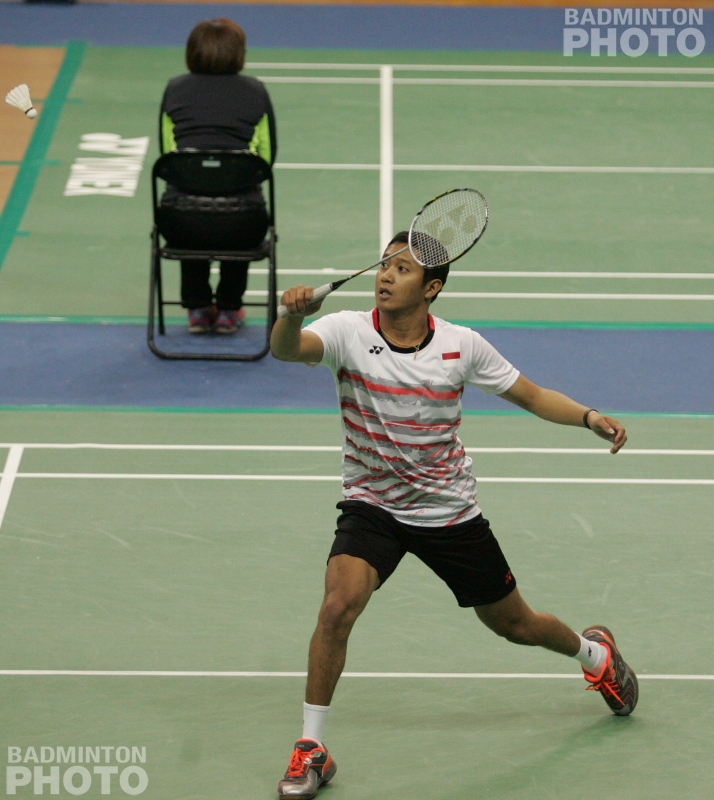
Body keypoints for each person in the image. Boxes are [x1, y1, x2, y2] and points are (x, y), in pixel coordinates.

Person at [269, 231, 639, 800]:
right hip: (373, 504)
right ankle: (311, 747)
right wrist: (292, 316)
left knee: (516, 625)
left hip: (447, 512)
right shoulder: (347, 331)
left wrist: (589, 417)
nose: (386, 275)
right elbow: (287, 350)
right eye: (384, 264)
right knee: (337, 607)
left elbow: (533, 395)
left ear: (432, 288)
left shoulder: (461, 346)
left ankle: (595, 655)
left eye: (403, 269)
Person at [158, 18, 277, 334]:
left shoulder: (174, 89)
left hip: (179, 224)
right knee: (239, 210)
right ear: (239, 54)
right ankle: (228, 308)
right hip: (244, 224)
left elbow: (169, 157)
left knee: (187, 202)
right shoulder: (255, 91)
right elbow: (266, 159)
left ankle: (197, 308)